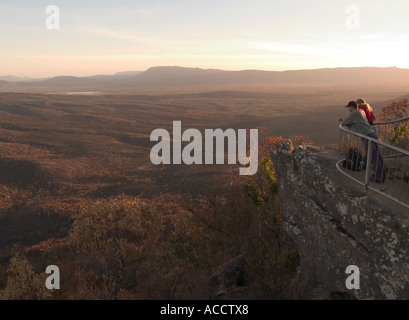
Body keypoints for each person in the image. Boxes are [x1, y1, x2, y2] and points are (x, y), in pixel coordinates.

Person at [340, 101, 385, 183]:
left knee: (373, 156)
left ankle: (379, 177)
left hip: (367, 135)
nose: (348, 109)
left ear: (351, 107)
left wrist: (344, 121)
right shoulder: (361, 111)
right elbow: (357, 122)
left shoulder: (355, 113)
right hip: (371, 133)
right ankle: (381, 174)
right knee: (377, 155)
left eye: (349, 108)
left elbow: (345, 121)